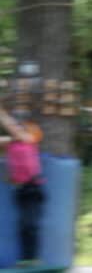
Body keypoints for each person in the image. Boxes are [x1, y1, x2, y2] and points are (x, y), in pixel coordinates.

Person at [0, 106, 44, 265]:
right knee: (24, 226)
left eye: (20, 122)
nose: (18, 125)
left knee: (30, 224)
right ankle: (27, 258)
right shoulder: (11, 143)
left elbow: (15, 130)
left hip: (33, 188)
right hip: (20, 190)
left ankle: (32, 258)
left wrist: (1, 113)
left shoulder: (32, 134)